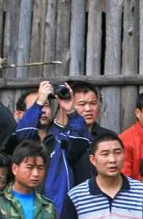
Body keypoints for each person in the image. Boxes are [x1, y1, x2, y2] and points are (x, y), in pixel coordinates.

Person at [12, 81, 90, 211]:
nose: (42, 110)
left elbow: (81, 139)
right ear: (21, 114)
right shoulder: (21, 140)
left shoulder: (63, 139)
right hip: (23, 213)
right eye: (36, 106)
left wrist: (71, 111)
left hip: (57, 214)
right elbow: (23, 133)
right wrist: (40, 101)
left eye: (46, 105)